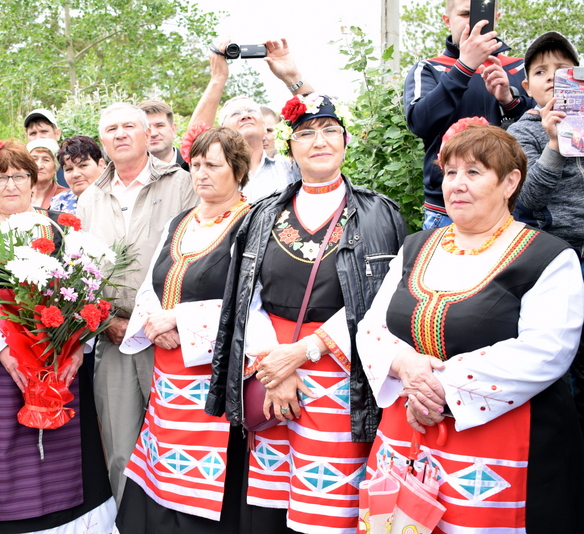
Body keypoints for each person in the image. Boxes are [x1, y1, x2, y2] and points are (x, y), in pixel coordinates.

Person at [357, 122, 584, 532]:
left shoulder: (548, 256)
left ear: (510, 181)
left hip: (504, 444)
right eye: (451, 172)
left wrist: (440, 386)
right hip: (408, 433)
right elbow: (372, 326)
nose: (457, 184)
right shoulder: (416, 246)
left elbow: (547, 350)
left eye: (474, 172)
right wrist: (406, 366)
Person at [206, 95, 408, 533]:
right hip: (269, 367)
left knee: (328, 509)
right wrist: (275, 364)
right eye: (306, 133)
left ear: (345, 141)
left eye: (329, 131)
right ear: (290, 146)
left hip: (340, 369)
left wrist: (305, 351)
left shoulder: (381, 213)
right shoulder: (263, 213)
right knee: (267, 506)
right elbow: (245, 295)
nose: (319, 142)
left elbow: (382, 299)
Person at [0, 140, 115, 533]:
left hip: (61, 358)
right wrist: (4, 353)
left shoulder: (57, 226)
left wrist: (76, 350)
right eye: (0, 178)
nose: (10, 186)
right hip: (0, 366)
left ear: (34, 179)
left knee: (68, 447)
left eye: (19, 176)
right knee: (7, 450)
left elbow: (86, 292)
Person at [116, 127, 252, 532]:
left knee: (208, 480)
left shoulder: (252, 223)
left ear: (237, 169)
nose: (201, 174)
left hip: (214, 378)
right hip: (168, 375)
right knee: (163, 470)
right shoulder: (180, 221)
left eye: (213, 165)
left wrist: (182, 320)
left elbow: (252, 298)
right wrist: (154, 324)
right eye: (195, 165)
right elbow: (150, 285)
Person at [78, 103, 199, 504]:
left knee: (176, 444)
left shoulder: (182, 183)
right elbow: (80, 274)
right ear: (103, 142)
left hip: (170, 336)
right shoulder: (89, 198)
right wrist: (106, 321)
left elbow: (200, 255)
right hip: (112, 335)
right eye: (111, 128)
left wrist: (169, 320)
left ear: (149, 135)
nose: (121, 134)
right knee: (119, 448)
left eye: (130, 125)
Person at [404, 0, 532, 230]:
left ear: (497, 19)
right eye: (465, 14)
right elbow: (419, 122)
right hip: (448, 208)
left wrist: (510, 101)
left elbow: (543, 128)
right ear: (447, 20)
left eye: (481, 16)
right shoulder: (430, 68)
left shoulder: (519, 68)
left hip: (510, 206)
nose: (473, 23)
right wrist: (464, 66)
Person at [189, 38, 308, 202]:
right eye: (235, 114)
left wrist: (292, 77)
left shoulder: (289, 167)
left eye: (252, 111)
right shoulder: (210, 170)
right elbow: (194, 140)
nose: (245, 115)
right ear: (223, 130)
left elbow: (320, 122)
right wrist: (218, 77)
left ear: (264, 127)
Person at [507, 32, 583, 255]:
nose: (552, 77)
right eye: (541, 71)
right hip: (554, 249)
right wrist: (555, 145)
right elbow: (529, 198)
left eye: (562, 70)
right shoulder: (521, 131)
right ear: (527, 87)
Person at [50, 136, 106, 214]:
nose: (75, 174)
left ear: (101, 165)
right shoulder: (59, 202)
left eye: (82, 166)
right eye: (69, 169)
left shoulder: (117, 199)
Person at [139, 99, 189, 171]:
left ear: (173, 130)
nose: (153, 133)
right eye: (147, 127)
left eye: (159, 126)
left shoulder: (193, 167)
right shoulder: (125, 173)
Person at [25, 108, 67, 188]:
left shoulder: (71, 166)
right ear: (27, 137)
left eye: (44, 132)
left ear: (57, 134)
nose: (38, 137)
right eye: (33, 133)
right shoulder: (21, 170)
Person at [27, 138, 68, 209]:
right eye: (34, 159)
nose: (39, 166)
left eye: (46, 160)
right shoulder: (16, 193)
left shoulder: (66, 196)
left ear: (55, 167)